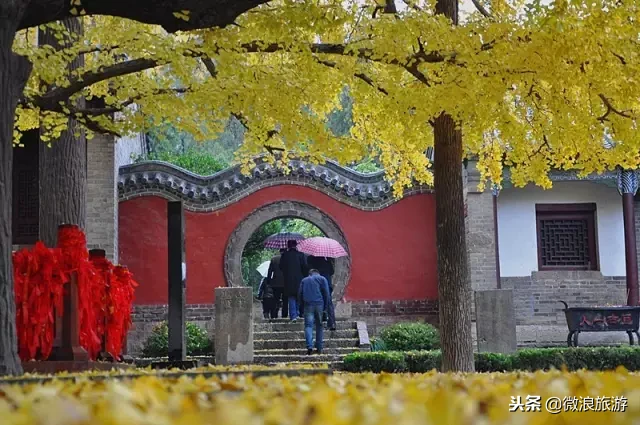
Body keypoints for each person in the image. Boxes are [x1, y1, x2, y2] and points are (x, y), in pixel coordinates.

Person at [298, 269, 330, 355]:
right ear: (318, 273)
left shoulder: (304, 280)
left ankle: (309, 346)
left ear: (309, 274)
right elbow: (326, 293)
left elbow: (300, 294)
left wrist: (300, 308)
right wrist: (326, 307)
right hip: (319, 304)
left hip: (308, 305)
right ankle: (319, 347)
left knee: (308, 326)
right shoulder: (322, 279)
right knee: (319, 325)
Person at [279, 239, 307, 321]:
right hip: (299, 279)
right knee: (298, 296)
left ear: (288, 246)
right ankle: (298, 313)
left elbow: (281, 267)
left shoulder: (284, 255)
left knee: (291, 297)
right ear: (296, 245)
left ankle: (293, 316)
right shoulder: (301, 255)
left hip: (288, 279)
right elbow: (304, 267)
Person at [308, 255, 336, 330]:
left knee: (316, 302)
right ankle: (332, 323)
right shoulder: (327, 260)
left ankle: (317, 322)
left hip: (317, 284)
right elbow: (332, 271)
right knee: (329, 303)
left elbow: (309, 270)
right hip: (327, 282)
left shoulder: (312, 259)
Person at [267, 248, 287, 318]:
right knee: (285, 300)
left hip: (275, 283)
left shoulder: (274, 259)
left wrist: (268, 282)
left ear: (279, 251)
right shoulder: (288, 259)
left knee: (275, 300)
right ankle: (284, 315)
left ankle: (274, 315)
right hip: (286, 283)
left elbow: (270, 272)